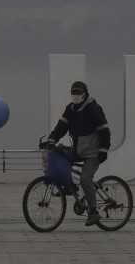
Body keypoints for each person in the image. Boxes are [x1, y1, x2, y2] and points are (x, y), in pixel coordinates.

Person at [45, 81, 111, 227]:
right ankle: (69, 187)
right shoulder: (71, 109)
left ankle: (93, 212)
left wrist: (103, 150)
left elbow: (105, 131)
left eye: (78, 93)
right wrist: (51, 140)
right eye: (73, 93)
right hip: (78, 150)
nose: (75, 96)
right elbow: (61, 127)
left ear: (85, 94)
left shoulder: (93, 109)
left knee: (85, 179)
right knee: (58, 154)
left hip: (93, 153)